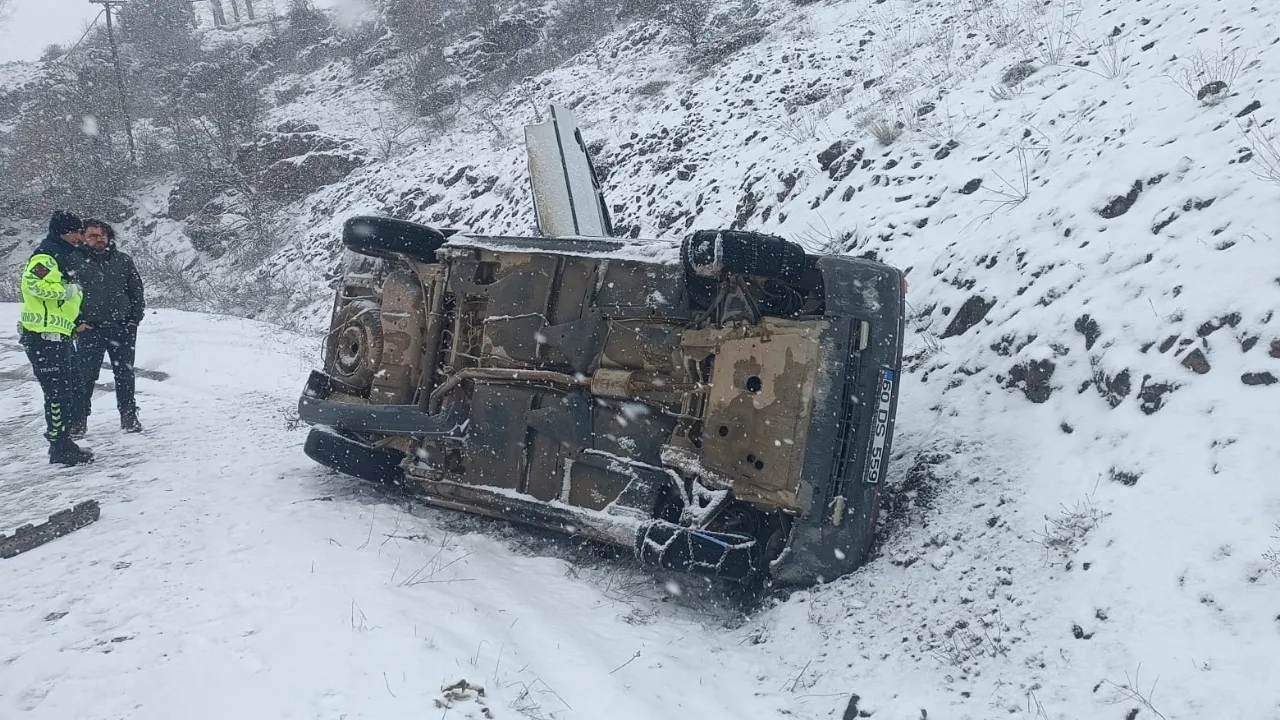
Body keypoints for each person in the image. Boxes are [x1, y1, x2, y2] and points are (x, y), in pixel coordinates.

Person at [17, 210, 95, 466]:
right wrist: (67, 290)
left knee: (73, 387)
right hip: (43, 337)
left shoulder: (62, 254)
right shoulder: (46, 256)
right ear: (65, 232)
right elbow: (32, 284)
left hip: (58, 335)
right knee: (58, 393)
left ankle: (62, 440)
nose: (79, 237)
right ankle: (59, 446)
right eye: (76, 232)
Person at [70, 219, 145, 436]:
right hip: (90, 329)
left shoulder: (123, 260)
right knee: (85, 376)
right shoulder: (73, 262)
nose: (99, 239)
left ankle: (129, 415)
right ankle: (79, 420)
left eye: (102, 235)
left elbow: (136, 291)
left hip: (122, 328)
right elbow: (64, 297)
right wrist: (76, 323)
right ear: (83, 237)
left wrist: (133, 320)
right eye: (93, 235)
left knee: (125, 374)